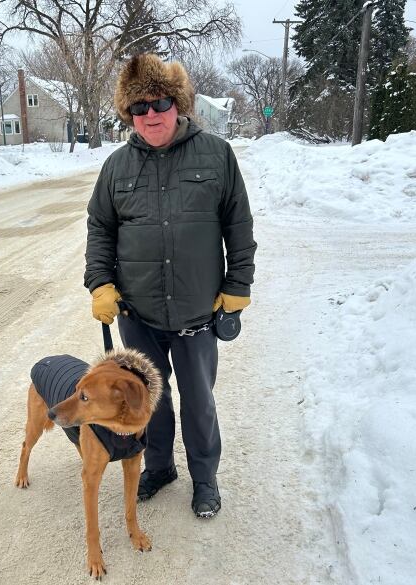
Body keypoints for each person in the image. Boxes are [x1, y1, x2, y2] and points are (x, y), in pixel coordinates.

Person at [84, 53, 256, 518]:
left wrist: (238, 285)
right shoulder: (116, 167)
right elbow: (100, 228)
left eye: (159, 103)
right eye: (138, 109)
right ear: (129, 115)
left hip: (198, 313)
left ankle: (205, 479)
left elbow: (238, 225)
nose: (151, 115)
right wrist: (101, 283)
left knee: (198, 403)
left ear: (177, 103)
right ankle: (158, 467)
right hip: (137, 314)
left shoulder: (216, 154)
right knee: (145, 401)